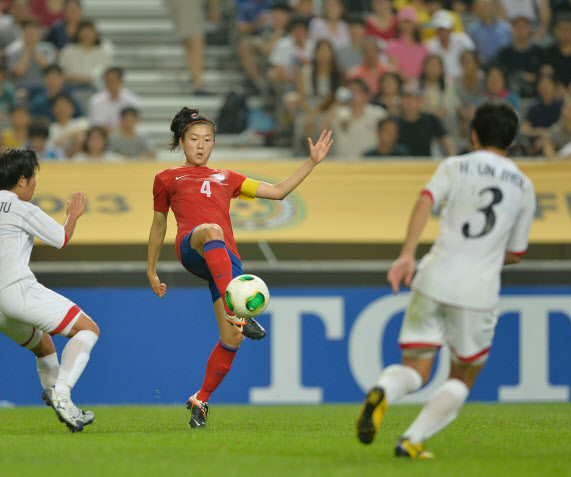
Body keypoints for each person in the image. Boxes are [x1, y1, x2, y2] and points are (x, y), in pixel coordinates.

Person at [355, 101, 536, 459]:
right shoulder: (524, 186)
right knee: (463, 374)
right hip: (477, 290)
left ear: (473, 134)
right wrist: (486, 250)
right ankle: (412, 439)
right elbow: (516, 252)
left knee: (416, 368)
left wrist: (407, 254)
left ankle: (384, 390)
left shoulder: (455, 165)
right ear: (513, 140)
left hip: (432, 276)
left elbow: (425, 201)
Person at [147, 107, 333, 428]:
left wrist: (312, 162)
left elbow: (277, 192)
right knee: (212, 230)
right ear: (182, 141)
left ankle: (200, 400)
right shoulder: (167, 178)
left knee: (232, 339)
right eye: (194, 139)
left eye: (208, 139)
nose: (201, 145)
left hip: (226, 262)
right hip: (194, 245)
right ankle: (238, 313)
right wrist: (151, 269)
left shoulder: (227, 177)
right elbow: (159, 224)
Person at [0, 148, 99, 432]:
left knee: (44, 345)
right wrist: (73, 216)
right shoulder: (22, 208)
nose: (35, 185)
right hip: (16, 289)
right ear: (21, 180)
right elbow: (61, 238)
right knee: (88, 329)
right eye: (33, 178)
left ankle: (66, 409)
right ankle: (62, 393)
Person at [323, 79, 386, 157]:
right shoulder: (339, 112)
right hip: (343, 162)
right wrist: (337, 102)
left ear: (366, 95)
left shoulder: (378, 113)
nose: (353, 94)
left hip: (370, 162)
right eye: (350, 91)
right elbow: (323, 130)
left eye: (356, 91)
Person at [397, 84, 456, 157]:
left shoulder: (430, 119)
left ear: (420, 101)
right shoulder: (395, 122)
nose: (409, 102)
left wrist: (452, 158)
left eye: (413, 98)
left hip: (425, 162)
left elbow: (445, 138)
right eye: (406, 99)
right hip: (400, 163)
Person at [5, 18, 56, 97]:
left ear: (39, 33)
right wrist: (27, 51)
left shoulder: (48, 48)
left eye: (33, 32)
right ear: (22, 34)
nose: (30, 35)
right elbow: (18, 72)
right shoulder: (13, 51)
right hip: (21, 87)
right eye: (27, 32)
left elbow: (48, 69)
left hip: (44, 87)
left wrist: (32, 50)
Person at [495, 14, 542, 98]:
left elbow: (544, 72)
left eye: (523, 26)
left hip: (535, 94)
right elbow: (500, 74)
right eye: (517, 27)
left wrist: (535, 77)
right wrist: (519, 75)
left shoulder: (539, 52)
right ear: (512, 30)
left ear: (529, 29)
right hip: (510, 94)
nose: (520, 30)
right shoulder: (504, 53)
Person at [58, 19, 112, 90]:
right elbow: (61, 73)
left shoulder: (103, 51)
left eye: (90, 32)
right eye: (84, 32)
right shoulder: (68, 50)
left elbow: (105, 73)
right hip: (71, 87)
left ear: (95, 33)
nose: (87, 35)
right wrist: (77, 78)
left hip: (96, 88)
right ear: (78, 33)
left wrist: (89, 79)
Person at [87, 66, 141, 131]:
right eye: (107, 80)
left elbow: (132, 123)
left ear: (121, 81)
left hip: (124, 135)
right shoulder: (95, 101)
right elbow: (97, 125)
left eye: (112, 80)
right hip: (103, 137)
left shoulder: (132, 100)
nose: (109, 83)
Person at [426, 10, 476, 79]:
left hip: (462, 80)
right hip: (442, 83)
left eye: (445, 29)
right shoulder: (430, 46)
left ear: (451, 29)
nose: (442, 32)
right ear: (435, 30)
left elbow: (474, 59)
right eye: (440, 29)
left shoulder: (463, 40)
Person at [386, 6, 428, 81]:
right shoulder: (392, 44)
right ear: (399, 24)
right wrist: (409, 80)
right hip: (400, 84)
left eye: (409, 22)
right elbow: (393, 68)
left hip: (420, 84)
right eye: (404, 22)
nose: (407, 25)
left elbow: (425, 68)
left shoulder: (423, 46)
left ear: (415, 24)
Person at [466, 0, 512, 65]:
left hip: (506, 65)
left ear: (493, 7)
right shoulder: (471, 30)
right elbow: (471, 52)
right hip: (484, 66)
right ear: (476, 9)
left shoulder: (506, 27)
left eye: (487, 5)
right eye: (482, 6)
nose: (485, 9)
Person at [49, 92, 89, 157]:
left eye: (65, 105)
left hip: (79, 160)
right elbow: (53, 146)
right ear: (53, 109)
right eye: (59, 106)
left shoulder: (80, 122)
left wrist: (64, 137)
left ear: (72, 108)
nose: (62, 109)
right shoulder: (51, 128)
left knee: (81, 137)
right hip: (58, 162)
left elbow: (86, 128)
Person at [541, 12, 571, 89]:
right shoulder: (549, 52)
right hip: (556, 92)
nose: (564, 32)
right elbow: (546, 73)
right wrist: (557, 86)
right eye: (561, 29)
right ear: (555, 30)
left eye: (567, 29)